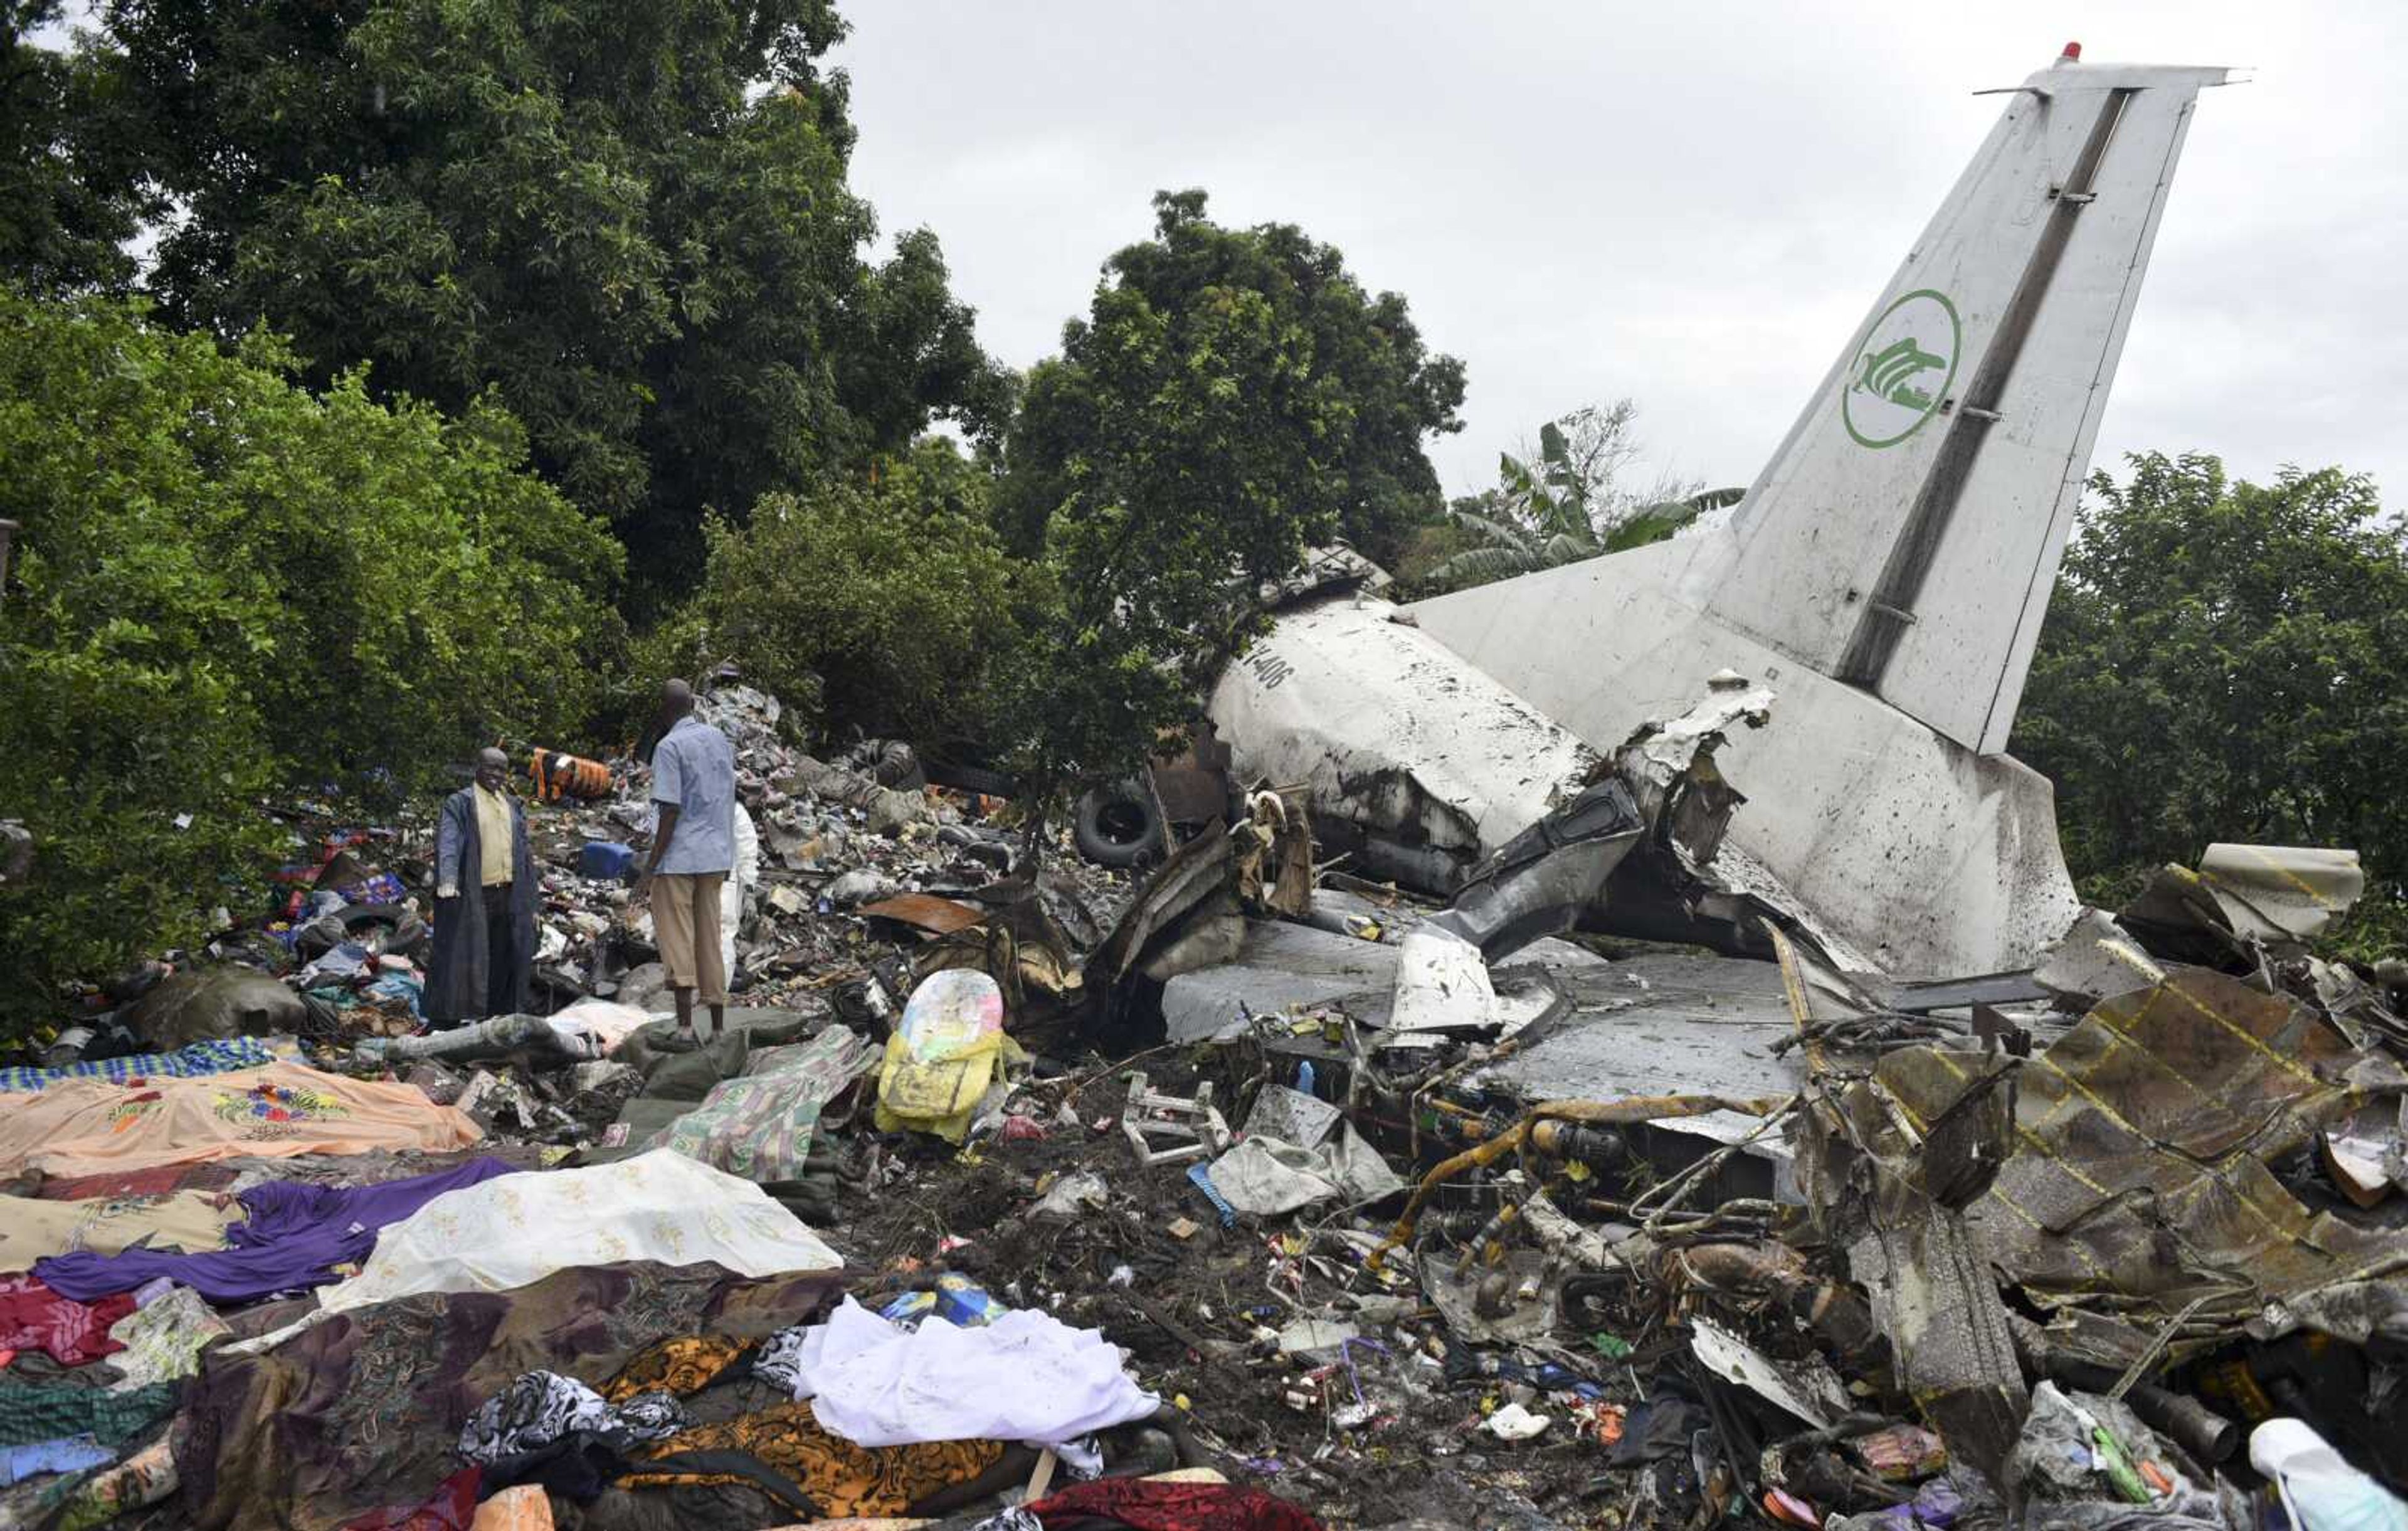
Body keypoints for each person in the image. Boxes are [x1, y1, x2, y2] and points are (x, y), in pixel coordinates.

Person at [637, 679, 737, 1044]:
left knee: (678, 938)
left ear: (665, 709)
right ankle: (720, 1027)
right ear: (692, 704)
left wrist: (648, 870)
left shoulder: (668, 747)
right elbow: (728, 799)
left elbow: (670, 810)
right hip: (714, 855)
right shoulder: (719, 740)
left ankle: (683, 1027)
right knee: (710, 937)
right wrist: (728, 855)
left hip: (678, 857)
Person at [427, 746, 536, 1025]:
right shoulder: (461, 803)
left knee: (504, 954)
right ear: (478, 768)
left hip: (510, 893)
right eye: (491, 767)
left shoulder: (512, 805)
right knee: (466, 953)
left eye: (502, 769)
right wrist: (448, 880)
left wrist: (532, 901)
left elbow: (525, 853)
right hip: (476, 894)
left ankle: (495, 1016)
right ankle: (453, 1016)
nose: (497, 774)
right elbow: (448, 842)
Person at [720, 800, 760, 986]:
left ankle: (716, 993)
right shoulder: (733, 810)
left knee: (721, 936)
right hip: (714, 881)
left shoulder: (733, 811)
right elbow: (747, 852)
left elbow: (747, 853)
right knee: (720, 936)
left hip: (722, 882)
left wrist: (749, 892)